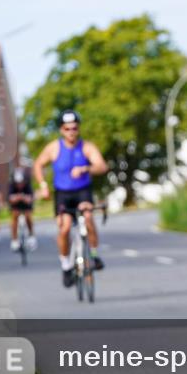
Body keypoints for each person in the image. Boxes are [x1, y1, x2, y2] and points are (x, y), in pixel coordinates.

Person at [33, 110, 108, 287]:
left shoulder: (86, 147)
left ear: (78, 128)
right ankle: (66, 266)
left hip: (82, 190)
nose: (71, 132)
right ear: (61, 130)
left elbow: (102, 166)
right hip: (63, 194)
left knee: (88, 216)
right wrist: (43, 185)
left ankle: (95, 256)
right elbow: (38, 164)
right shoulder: (54, 148)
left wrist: (86, 169)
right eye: (67, 129)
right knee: (65, 228)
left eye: (74, 128)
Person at [8, 168, 37, 251]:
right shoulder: (11, 186)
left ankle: (31, 235)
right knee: (14, 216)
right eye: (18, 183)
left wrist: (22, 197)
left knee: (28, 216)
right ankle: (14, 239)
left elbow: (30, 198)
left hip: (26, 205)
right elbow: (10, 199)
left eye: (21, 183)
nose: (20, 185)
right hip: (16, 206)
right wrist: (19, 197)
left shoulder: (28, 185)